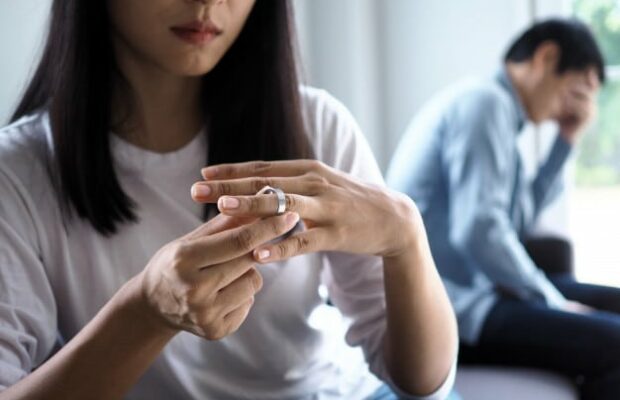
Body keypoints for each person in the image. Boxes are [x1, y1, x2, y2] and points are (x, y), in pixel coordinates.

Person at [0, 1, 458, 399]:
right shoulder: (17, 174)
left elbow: (423, 384)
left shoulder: (318, 125)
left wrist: (407, 240)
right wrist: (144, 312)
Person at [387, 18, 620, 399]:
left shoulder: (502, 118)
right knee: (614, 343)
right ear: (547, 57)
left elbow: (516, 223)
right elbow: (478, 230)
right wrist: (552, 300)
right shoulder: (485, 103)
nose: (582, 106)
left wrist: (566, 140)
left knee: (613, 301)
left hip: (482, 288)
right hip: (451, 308)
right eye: (580, 88)